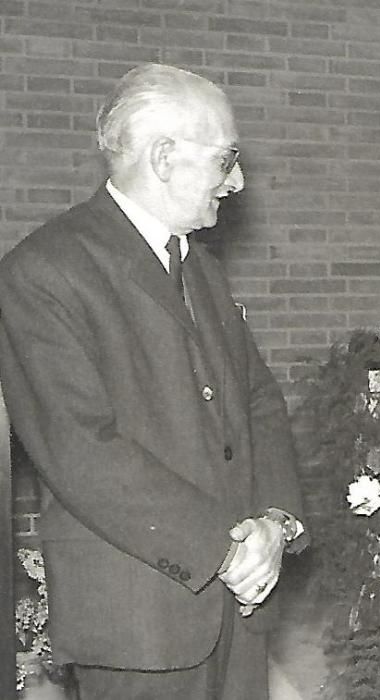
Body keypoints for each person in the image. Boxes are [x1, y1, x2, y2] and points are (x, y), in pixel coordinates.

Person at [0, 63, 307, 700]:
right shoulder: (43, 272)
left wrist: (277, 522)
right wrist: (224, 550)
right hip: (140, 617)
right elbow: (80, 450)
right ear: (164, 157)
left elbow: (258, 403)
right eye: (227, 160)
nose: (238, 181)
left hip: (239, 607)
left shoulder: (200, 268)